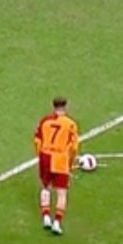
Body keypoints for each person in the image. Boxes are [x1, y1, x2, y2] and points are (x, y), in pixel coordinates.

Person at [34, 97, 79, 235]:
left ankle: (46, 217)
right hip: (60, 159)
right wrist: (70, 162)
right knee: (61, 192)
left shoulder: (44, 121)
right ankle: (57, 222)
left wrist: (40, 155)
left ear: (53, 106)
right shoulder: (70, 124)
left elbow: (37, 140)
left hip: (45, 156)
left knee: (45, 187)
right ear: (65, 107)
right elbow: (74, 147)